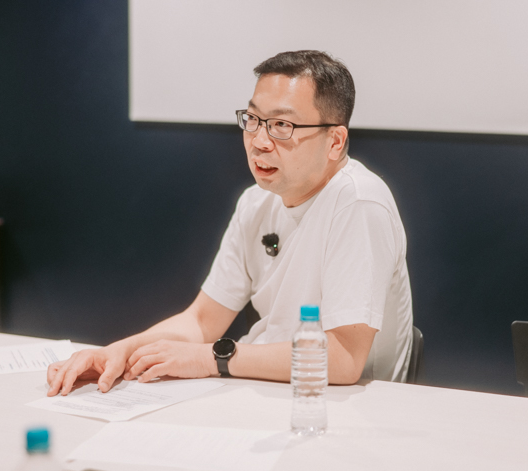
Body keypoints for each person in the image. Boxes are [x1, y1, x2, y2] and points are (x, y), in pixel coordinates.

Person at [47, 50, 413, 397]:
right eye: (253, 120)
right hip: (267, 390)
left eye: (282, 125)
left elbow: (343, 360)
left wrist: (213, 358)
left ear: (334, 141)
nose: (259, 142)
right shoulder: (256, 202)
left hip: (344, 408)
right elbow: (202, 321)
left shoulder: (359, 202)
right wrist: (119, 351)